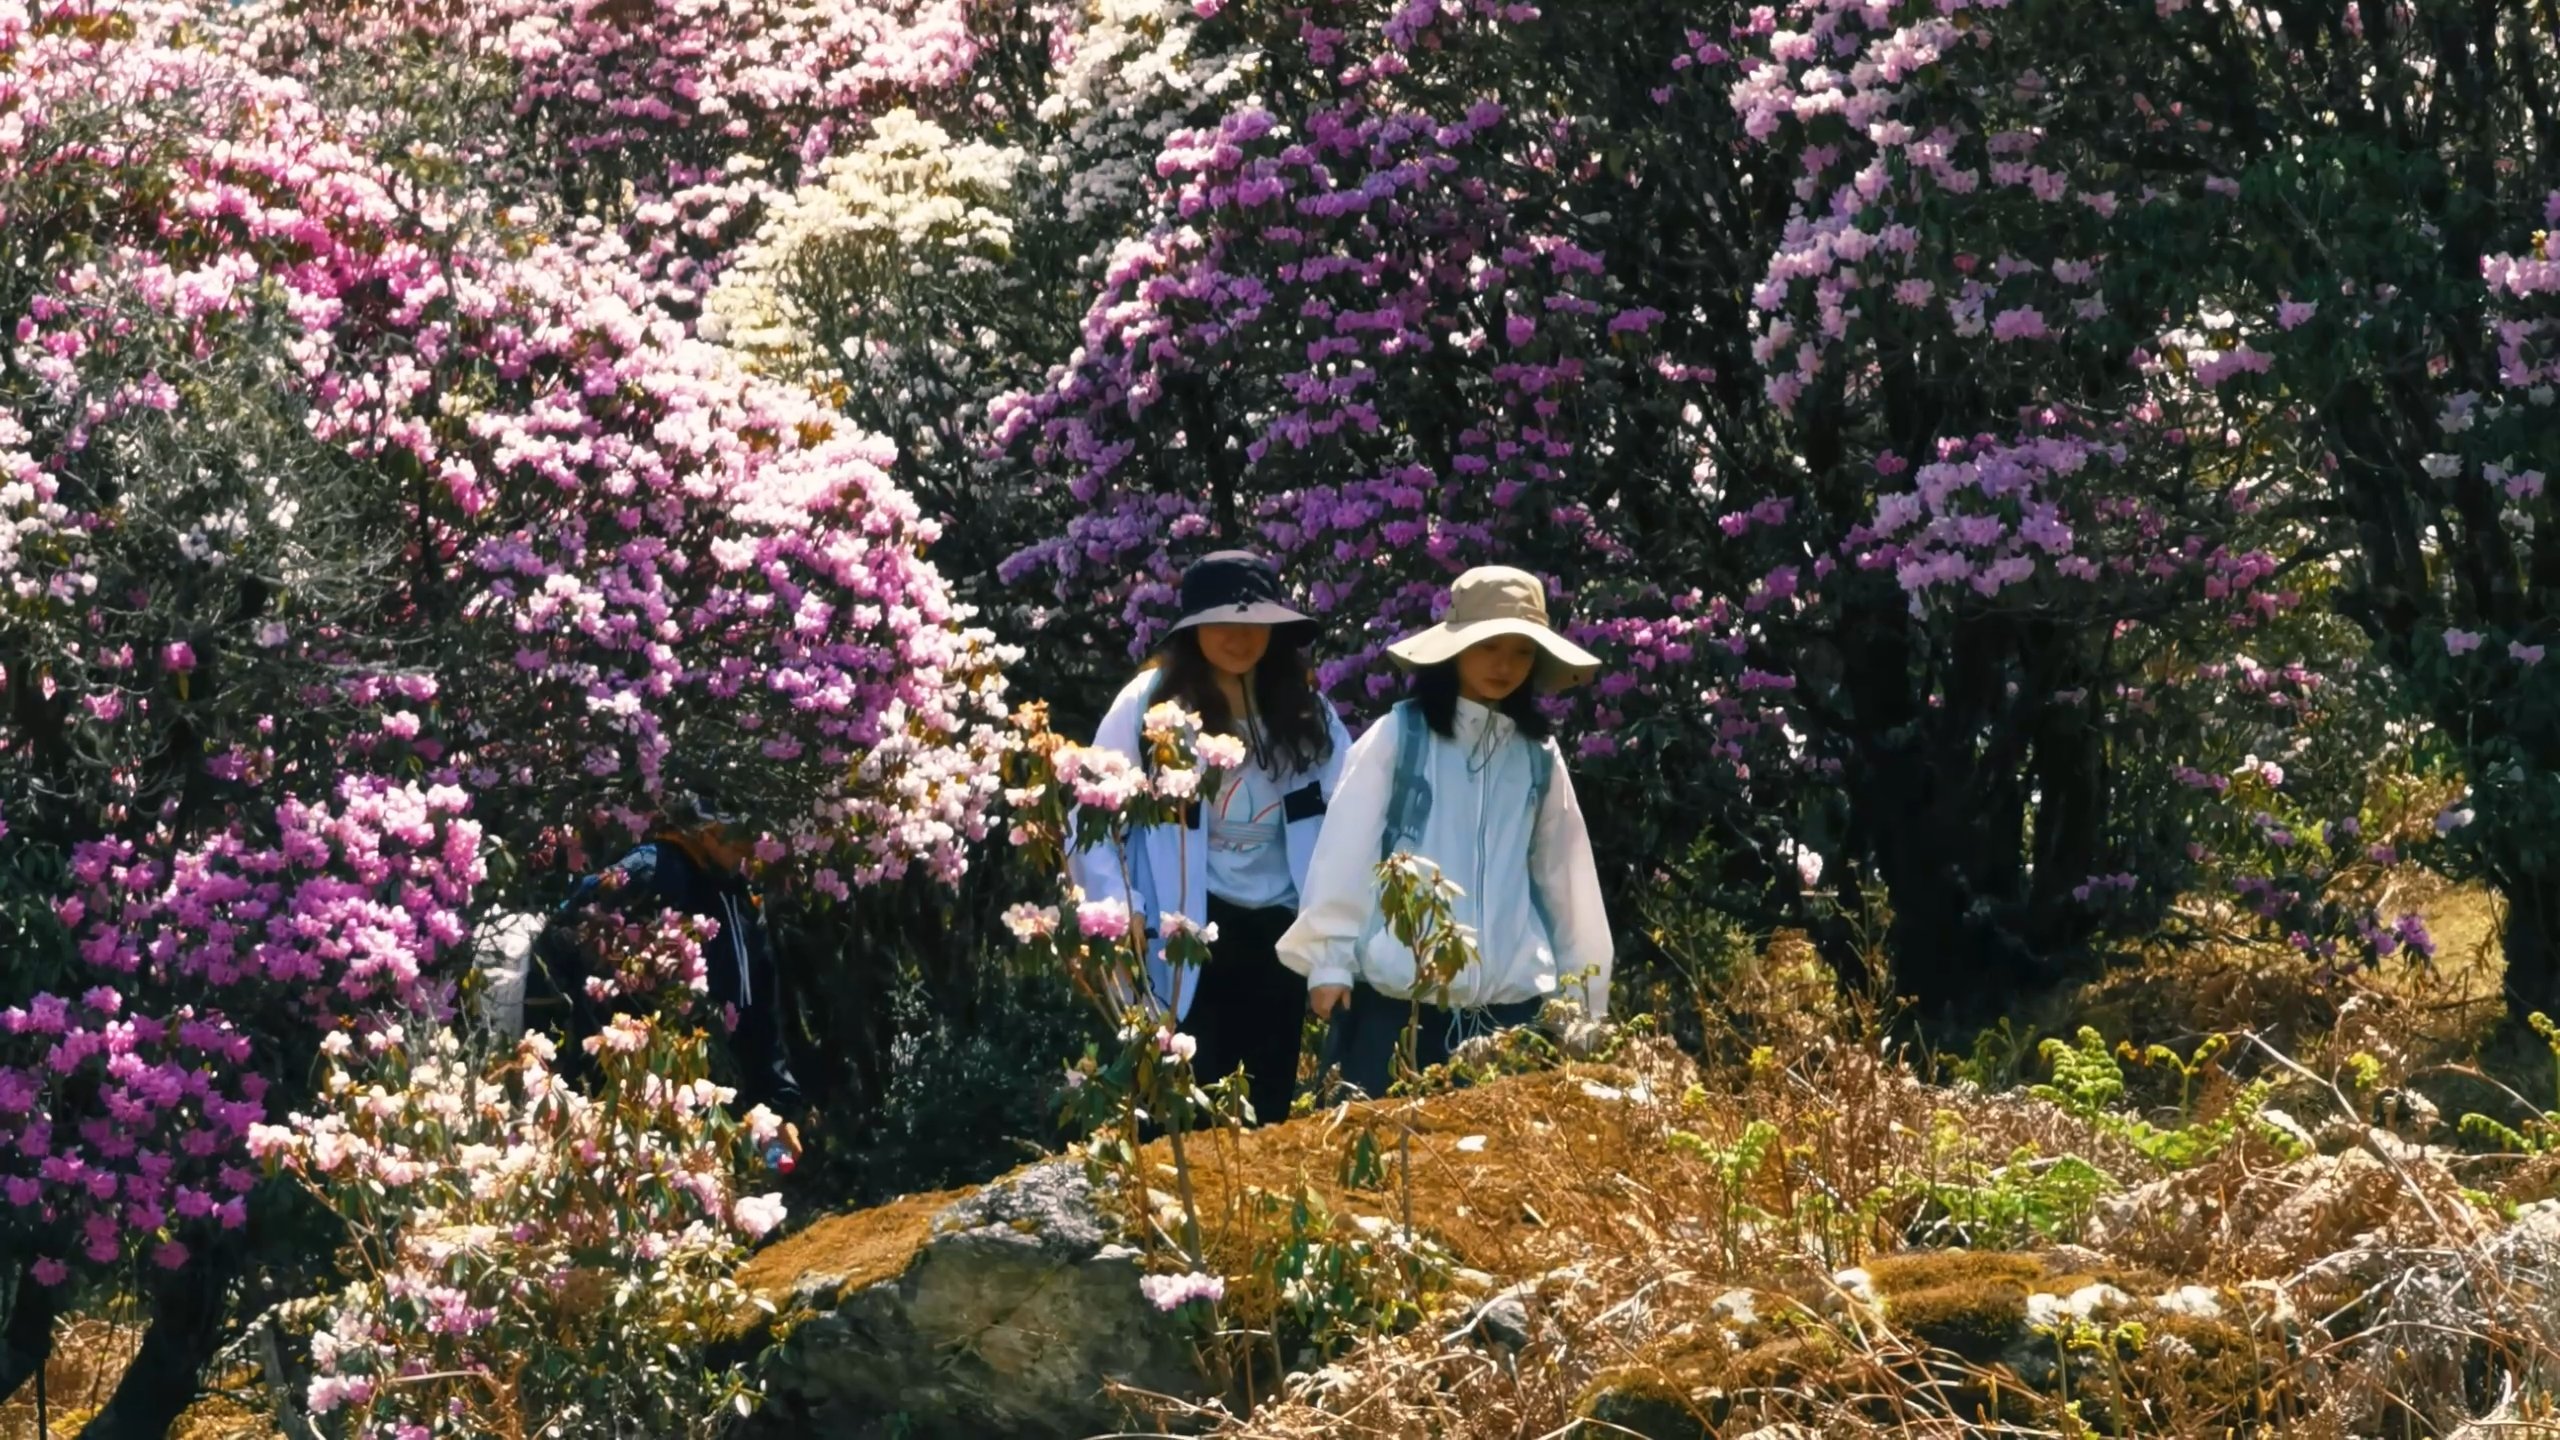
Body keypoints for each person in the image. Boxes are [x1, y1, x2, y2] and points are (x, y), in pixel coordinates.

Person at [1277, 565, 1612, 1099]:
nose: (1504, 665)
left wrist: (1582, 1002)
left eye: (1521, 652)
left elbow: (1565, 879)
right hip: (1396, 1007)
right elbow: (1345, 851)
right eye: (1488, 646)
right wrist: (1329, 961)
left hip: (1509, 1015)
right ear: (1456, 648)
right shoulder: (1400, 736)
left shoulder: (1537, 756)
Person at [1071, 551, 1353, 1126]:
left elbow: (1347, 829)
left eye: (1254, 624)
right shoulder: (1149, 705)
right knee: (1184, 1099)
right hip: (1184, 925)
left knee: (1266, 1105)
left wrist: (1332, 953)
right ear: (1192, 630)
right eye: (1221, 622)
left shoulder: (1310, 714)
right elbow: (1092, 812)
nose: (1238, 638)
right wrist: (1120, 907)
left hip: (1280, 929)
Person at [527, 789, 806, 1163]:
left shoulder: (738, 899)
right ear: (704, 829)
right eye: (738, 832)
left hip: (712, 1103)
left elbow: (759, 1014)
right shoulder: (652, 869)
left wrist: (778, 1108)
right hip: (633, 1096)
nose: (748, 846)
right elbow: (563, 939)